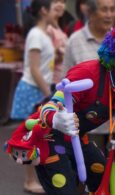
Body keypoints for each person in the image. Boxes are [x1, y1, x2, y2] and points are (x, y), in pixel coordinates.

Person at [5, 14, 115, 194]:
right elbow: (51, 104)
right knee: (65, 188)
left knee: (102, 177)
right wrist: (56, 118)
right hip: (49, 137)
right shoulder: (88, 73)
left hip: (78, 138)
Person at [10, 0, 55, 194]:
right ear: (44, 11)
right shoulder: (36, 35)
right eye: (54, 5)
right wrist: (48, 94)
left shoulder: (44, 33)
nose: (58, 9)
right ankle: (29, 181)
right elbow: (35, 68)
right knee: (29, 137)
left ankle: (36, 178)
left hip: (38, 90)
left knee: (37, 136)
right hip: (32, 91)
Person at [62, 0, 115, 76]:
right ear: (90, 13)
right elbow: (65, 79)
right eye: (104, 10)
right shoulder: (74, 41)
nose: (109, 15)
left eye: (112, 10)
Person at [47, 0, 68, 89]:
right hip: (54, 82)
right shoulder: (49, 29)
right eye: (55, 1)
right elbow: (46, 60)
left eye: (63, 2)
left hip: (62, 80)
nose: (60, 5)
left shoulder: (59, 27)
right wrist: (58, 51)